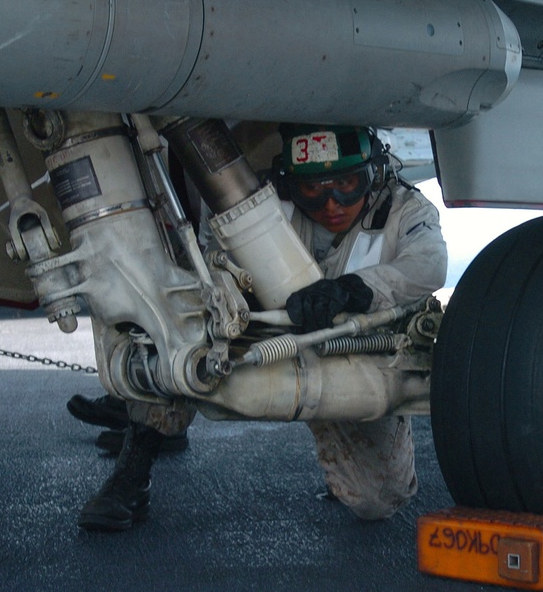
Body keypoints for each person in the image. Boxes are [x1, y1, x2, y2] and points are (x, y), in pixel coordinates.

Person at [76, 124, 447, 531]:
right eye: (313, 190)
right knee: (177, 332)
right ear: (292, 185)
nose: (332, 203)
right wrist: (238, 286)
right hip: (259, 338)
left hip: (355, 352)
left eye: (346, 183)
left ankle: (340, 455)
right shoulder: (258, 203)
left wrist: (353, 290)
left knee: (376, 500)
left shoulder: (404, 208)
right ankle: (134, 469)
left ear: (373, 174)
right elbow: (211, 257)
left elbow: (427, 264)